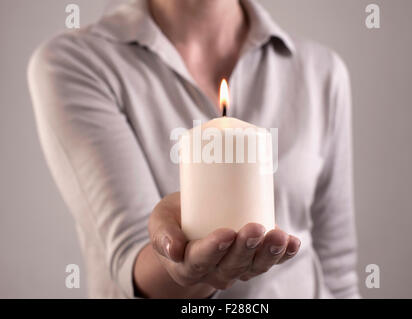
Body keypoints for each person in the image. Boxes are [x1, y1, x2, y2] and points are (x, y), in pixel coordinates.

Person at [28, 0, 359, 298]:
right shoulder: (77, 62)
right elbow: (130, 257)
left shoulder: (321, 71)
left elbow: (337, 267)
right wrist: (191, 264)